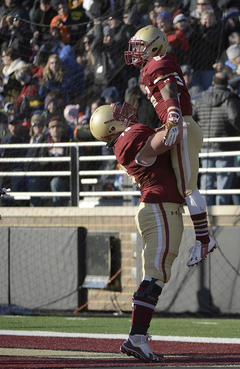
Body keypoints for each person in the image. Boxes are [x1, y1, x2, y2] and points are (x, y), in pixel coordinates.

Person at [89, 101, 185, 362]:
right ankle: (136, 339)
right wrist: (174, 110)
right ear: (111, 126)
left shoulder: (128, 137)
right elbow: (170, 137)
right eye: (116, 115)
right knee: (155, 274)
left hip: (159, 207)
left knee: (157, 273)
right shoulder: (129, 137)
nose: (124, 113)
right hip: (159, 207)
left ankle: (137, 338)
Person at [125, 25, 216, 267]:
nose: (136, 52)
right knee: (183, 186)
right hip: (180, 124)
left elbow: (169, 89)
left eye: (140, 47)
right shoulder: (159, 62)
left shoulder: (157, 63)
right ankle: (201, 237)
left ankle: (204, 240)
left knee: (188, 188)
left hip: (181, 124)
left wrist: (173, 118)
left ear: (154, 45)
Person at [192, 72, 240, 205]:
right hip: (225, 145)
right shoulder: (231, 98)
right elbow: (234, 118)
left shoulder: (201, 98)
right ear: (227, 84)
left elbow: (192, 117)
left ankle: (205, 212)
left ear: (212, 83)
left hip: (206, 145)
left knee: (206, 181)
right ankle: (221, 210)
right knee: (223, 182)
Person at [39, 115, 72, 206]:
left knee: (55, 182)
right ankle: (34, 211)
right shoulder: (44, 142)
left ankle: (58, 212)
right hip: (46, 177)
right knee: (33, 182)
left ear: (62, 128)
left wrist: (49, 160)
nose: (55, 129)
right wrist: (52, 160)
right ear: (49, 130)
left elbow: (69, 163)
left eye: (57, 127)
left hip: (63, 179)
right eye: (52, 127)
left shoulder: (68, 142)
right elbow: (41, 162)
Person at [24, 111, 50, 207]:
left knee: (32, 182)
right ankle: (15, 207)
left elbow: (44, 161)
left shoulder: (46, 138)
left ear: (43, 125)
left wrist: (33, 164)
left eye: (39, 124)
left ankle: (35, 209)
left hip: (41, 176)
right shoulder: (29, 139)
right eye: (34, 124)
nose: (37, 126)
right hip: (28, 171)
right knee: (16, 176)